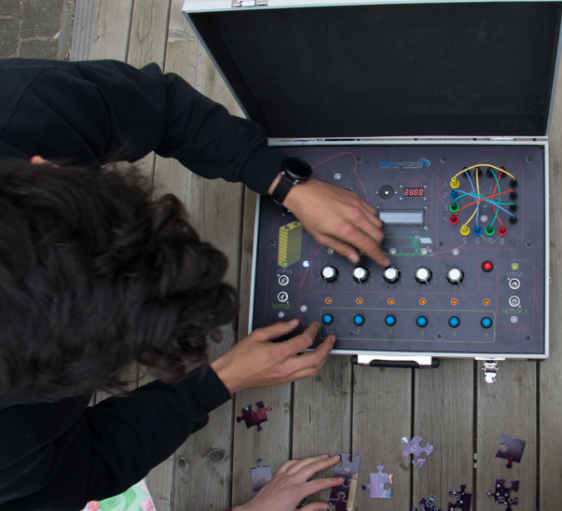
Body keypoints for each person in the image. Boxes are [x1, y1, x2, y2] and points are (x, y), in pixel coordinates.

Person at [0, 57, 388, 510]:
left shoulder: (25, 108)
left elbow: (162, 107)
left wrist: (283, 181)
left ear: (48, 168)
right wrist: (215, 383)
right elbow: (87, 466)